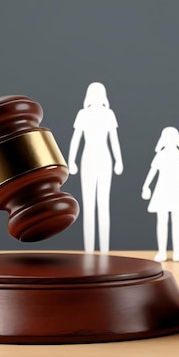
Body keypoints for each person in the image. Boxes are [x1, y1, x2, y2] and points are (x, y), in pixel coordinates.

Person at [68, 82, 123, 254]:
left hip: (103, 160)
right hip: (90, 160)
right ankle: (90, 251)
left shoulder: (108, 114)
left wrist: (118, 160)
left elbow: (114, 140)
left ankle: (104, 251)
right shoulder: (83, 114)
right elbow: (76, 139)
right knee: (90, 206)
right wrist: (71, 161)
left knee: (102, 205)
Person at [142, 127, 179, 262]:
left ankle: (177, 252)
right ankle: (162, 251)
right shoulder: (160, 156)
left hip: (177, 191)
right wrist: (146, 186)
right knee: (162, 221)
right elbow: (152, 172)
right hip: (162, 190)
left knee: (177, 222)